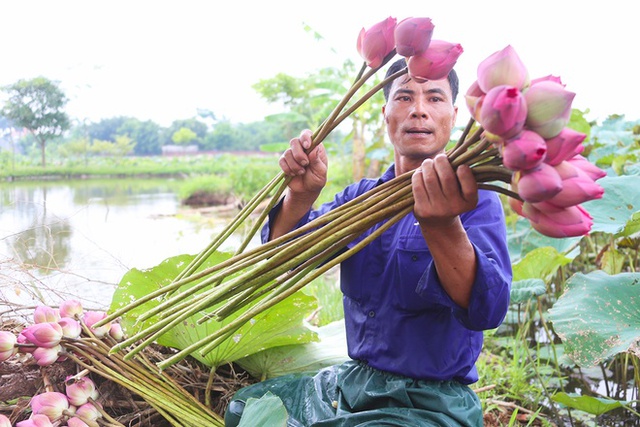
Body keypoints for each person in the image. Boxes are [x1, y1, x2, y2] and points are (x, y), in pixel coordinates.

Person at [224, 59, 512, 427]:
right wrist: (300, 196)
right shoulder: (362, 199)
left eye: (434, 98)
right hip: (353, 385)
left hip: (431, 402)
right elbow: (285, 261)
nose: (419, 110)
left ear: (454, 114)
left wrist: (443, 227)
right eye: (405, 96)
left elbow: (487, 310)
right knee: (245, 407)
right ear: (385, 113)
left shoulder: (474, 199)